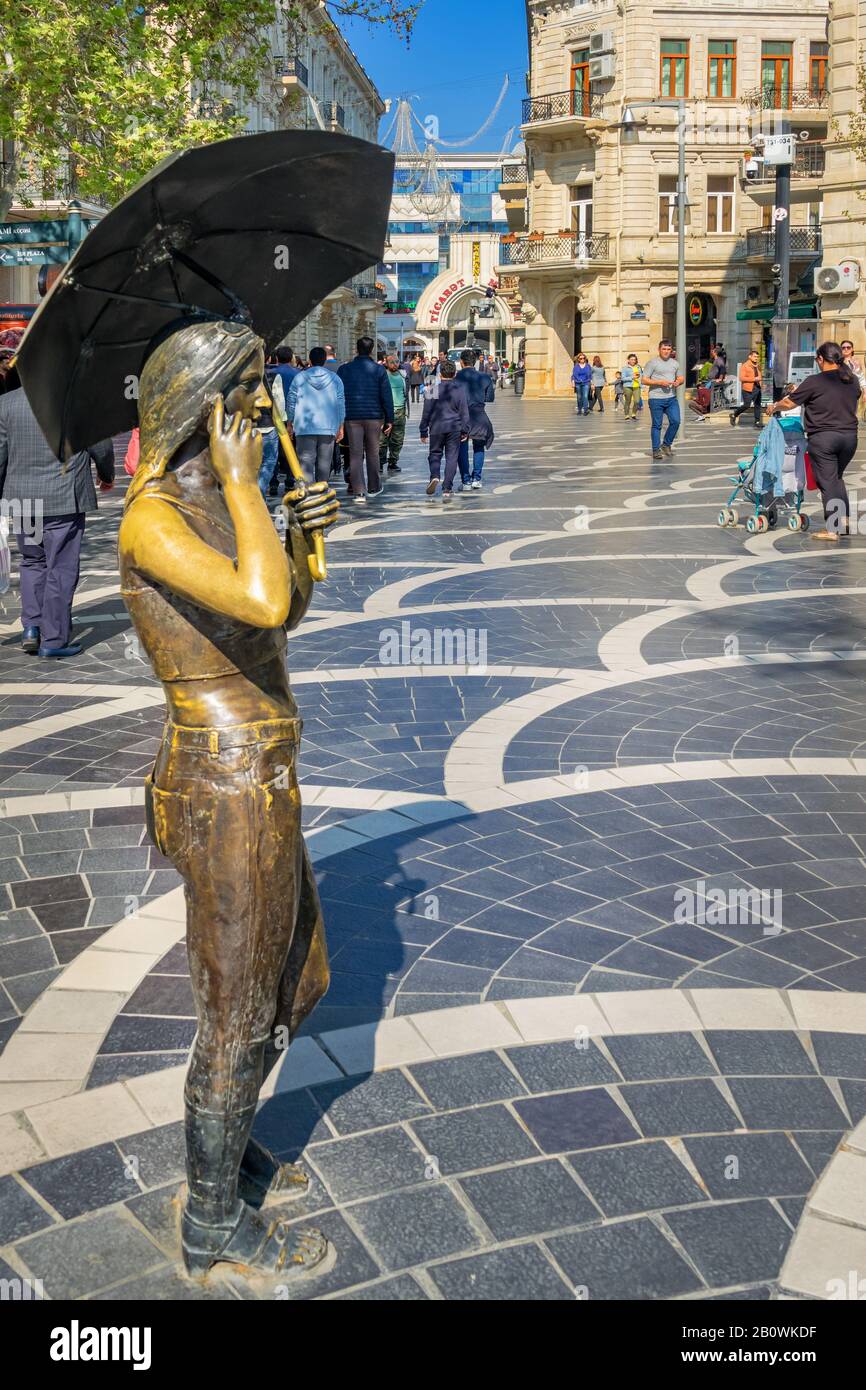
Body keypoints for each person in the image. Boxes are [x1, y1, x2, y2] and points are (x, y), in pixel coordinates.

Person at [118, 317, 338, 1280]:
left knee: (298, 980)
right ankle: (212, 1220)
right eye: (247, 389)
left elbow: (278, 615)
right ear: (197, 407)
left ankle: (230, 1143)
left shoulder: (215, 502)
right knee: (238, 1008)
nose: (265, 404)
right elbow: (253, 603)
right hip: (222, 778)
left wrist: (295, 531)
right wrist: (254, 494)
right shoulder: (154, 516)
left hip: (266, 771)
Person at [0, 385, 114, 657]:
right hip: (64, 498)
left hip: (24, 500)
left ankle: (32, 627)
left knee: (31, 561)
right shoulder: (78, 401)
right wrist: (106, 475)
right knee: (60, 568)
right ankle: (53, 639)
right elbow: (102, 446)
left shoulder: (6, 403)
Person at [767, 341, 861, 542]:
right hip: (850, 438)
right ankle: (843, 521)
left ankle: (833, 529)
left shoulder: (815, 381)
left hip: (824, 438)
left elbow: (789, 402)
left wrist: (773, 408)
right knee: (836, 478)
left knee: (827, 481)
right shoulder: (851, 380)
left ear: (820, 359)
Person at [337, 335, 393, 503]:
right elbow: (386, 395)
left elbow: (339, 395)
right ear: (372, 350)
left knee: (354, 454)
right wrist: (389, 418)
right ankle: (374, 487)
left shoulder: (344, 369)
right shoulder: (378, 369)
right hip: (374, 417)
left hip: (351, 416)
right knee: (373, 453)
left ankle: (359, 490)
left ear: (356, 348)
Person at [286, 345, 345, 484]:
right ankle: (322, 494)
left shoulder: (299, 378)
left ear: (309, 360)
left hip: (304, 427)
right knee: (324, 465)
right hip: (328, 426)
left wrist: (290, 422)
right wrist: (341, 425)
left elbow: (291, 401)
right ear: (324, 360)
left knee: (305, 465)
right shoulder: (335, 379)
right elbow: (340, 404)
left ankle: (307, 497)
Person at [419, 359, 469, 502]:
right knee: (452, 457)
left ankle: (435, 475)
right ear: (454, 374)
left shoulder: (432, 389)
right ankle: (447, 488)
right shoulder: (459, 390)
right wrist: (465, 431)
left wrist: (423, 430)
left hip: (436, 427)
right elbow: (464, 413)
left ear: (440, 374)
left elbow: (426, 412)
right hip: (454, 427)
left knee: (435, 454)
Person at [456, 348, 495, 490]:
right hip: (479, 416)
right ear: (475, 362)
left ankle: (465, 480)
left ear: (461, 362)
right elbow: (490, 398)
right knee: (479, 446)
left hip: (461, 417)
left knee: (462, 448)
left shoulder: (455, 377)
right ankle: (476, 479)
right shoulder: (485, 377)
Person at [642, 340, 684, 458]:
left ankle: (666, 444)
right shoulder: (652, 363)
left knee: (676, 421)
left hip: (671, 398)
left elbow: (681, 378)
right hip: (656, 398)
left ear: (671, 351)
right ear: (659, 350)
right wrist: (659, 382)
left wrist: (678, 382)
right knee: (657, 425)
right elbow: (644, 380)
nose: (666, 351)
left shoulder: (675, 363)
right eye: (664, 349)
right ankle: (656, 449)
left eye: (668, 349)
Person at [379, 355, 409, 475]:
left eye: (396, 362)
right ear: (386, 363)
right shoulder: (383, 375)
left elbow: (405, 392)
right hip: (385, 412)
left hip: (400, 411)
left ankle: (393, 462)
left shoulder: (403, 375)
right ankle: (380, 463)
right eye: (391, 362)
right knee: (382, 440)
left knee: (397, 439)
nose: (394, 364)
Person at [730, 350, 763, 429]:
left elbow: (759, 376)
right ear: (750, 356)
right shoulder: (745, 365)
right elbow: (741, 378)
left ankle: (757, 421)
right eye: (755, 356)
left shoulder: (758, 365)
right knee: (746, 405)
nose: (756, 358)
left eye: (757, 357)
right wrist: (754, 379)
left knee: (757, 405)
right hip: (748, 389)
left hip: (757, 388)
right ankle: (734, 414)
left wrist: (761, 384)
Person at [841, 340, 866, 418]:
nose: (846, 349)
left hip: (853, 392)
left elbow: (861, 377)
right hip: (840, 391)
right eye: (843, 347)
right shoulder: (838, 362)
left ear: (852, 349)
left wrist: (865, 391)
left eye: (848, 347)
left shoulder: (856, 362)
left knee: (852, 414)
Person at [621, 354, 641, 421]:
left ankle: (633, 414)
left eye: (634, 359)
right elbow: (623, 378)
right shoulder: (625, 368)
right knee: (628, 401)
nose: (633, 361)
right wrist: (632, 377)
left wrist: (643, 386)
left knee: (637, 401)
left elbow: (641, 376)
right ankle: (626, 415)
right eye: (631, 359)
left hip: (637, 386)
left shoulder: (638, 367)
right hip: (628, 386)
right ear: (628, 360)